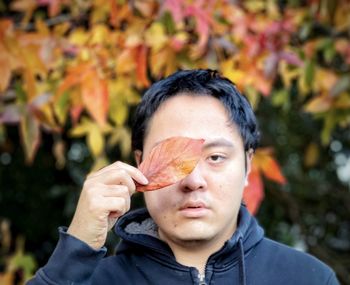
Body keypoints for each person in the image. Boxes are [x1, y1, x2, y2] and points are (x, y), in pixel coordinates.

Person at [28, 70, 339, 285]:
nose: (194, 180)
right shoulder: (91, 279)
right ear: (139, 164)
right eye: (175, 158)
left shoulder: (307, 277)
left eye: (216, 158)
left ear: (247, 166)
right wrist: (76, 250)